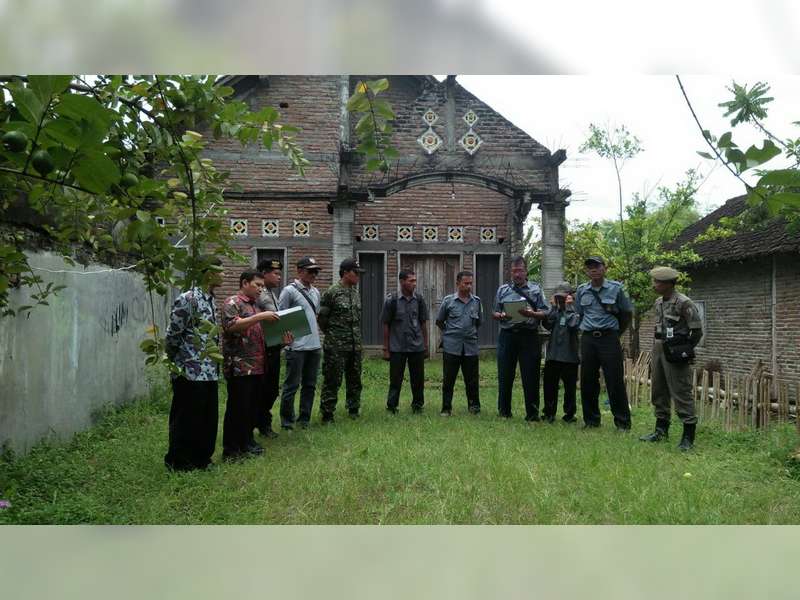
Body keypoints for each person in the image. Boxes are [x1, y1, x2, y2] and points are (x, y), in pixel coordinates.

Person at [163, 256, 224, 471]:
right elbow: (173, 334)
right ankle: (179, 461)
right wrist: (174, 362)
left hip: (209, 371)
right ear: (208, 273)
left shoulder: (209, 299)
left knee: (207, 419)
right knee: (186, 419)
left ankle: (202, 459)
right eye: (220, 270)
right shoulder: (189, 298)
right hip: (189, 370)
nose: (223, 274)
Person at [640, 266, 704, 450]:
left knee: (681, 391)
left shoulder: (684, 303)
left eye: (657, 282)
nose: (654, 285)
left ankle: (688, 437)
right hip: (659, 348)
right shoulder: (658, 302)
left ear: (668, 284)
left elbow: (697, 331)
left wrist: (685, 351)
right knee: (658, 390)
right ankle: (660, 431)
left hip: (676, 351)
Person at [221, 270, 280, 459]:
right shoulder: (233, 303)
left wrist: (283, 340)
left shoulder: (255, 307)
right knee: (237, 408)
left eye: (263, 286)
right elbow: (231, 326)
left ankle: (247, 442)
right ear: (245, 283)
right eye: (258, 285)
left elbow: (260, 336)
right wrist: (260, 317)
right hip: (239, 366)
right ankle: (231, 450)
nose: (261, 289)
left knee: (251, 407)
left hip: (257, 365)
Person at [574, 256, 634, 431]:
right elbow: (579, 313)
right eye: (590, 267)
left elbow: (626, 314)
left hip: (609, 338)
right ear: (586, 271)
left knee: (614, 380)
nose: (593, 269)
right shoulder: (581, 290)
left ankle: (622, 422)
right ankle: (591, 420)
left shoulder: (616, 289)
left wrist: (616, 333)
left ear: (604, 268)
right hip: (589, 339)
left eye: (597, 266)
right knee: (587, 380)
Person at [492, 255, 548, 420]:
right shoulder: (503, 290)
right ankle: (504, 412)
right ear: (511, 272)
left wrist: (531, 313)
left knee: (531, 376)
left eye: (520, 270)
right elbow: (494, 312)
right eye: (514, 271)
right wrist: (501, 315)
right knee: (505, 374)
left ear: (526, 271)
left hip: (529, 336)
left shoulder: (536, 290)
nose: (517, 274)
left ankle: (532, 414)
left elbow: (545, 312)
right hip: (507, 336)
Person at [277, 257, 323, 430]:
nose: (314, 275)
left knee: (310, 385)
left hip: (314, 346)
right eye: (310, 271)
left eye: (316, 271)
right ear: (299, 271)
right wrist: (286, 341)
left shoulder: (316, 292)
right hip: (296, 347)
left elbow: (315, 316)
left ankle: (304, 419)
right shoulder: (289, 291)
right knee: (291, 385)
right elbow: (281, 317)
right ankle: (287, 422)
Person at [318, 257, 365, 423]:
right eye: (356, 273)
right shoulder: (332, 292)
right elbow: (322, 319)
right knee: (332, 379)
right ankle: (327, 413)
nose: (358, 276)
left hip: (355, 344)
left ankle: (353, 408)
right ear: (346, 273)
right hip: (336, 345)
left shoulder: (355, 292)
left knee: (355, 378)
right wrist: (334, 335)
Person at [381, 269, 430, 414]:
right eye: (411, 281)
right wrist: (386, 348)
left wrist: (425, 345)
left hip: (416, 347)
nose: (414, 284)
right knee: (395, 380)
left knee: (418, 380)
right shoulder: (392, 300)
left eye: (415, 281)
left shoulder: (419, 299)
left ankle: (417, 406)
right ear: (402, 282)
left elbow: (423, 323)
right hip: (397, 347)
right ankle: (392, 406)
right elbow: (385, 324)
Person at [255, 258, 293, 439]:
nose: (279, 277)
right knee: (265, 389)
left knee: (270, 389)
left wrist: (284, 339)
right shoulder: (261, 293)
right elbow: (274, 320)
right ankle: (261, 423)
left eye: (279, 273)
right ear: (263, 274)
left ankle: (263, 422)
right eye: (275, 273)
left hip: (273, 347)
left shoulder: (271, 292)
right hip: (263, 350)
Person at [436, 270, 482, 416]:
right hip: (451, 346)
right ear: (457, 283)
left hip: (470, 346)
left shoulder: (477, 301)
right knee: (449, 379)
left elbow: (479, 322)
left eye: (470, 283)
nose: (468, 286)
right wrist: (450, 333)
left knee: (472, 380)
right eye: (465, 283)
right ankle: (446, 408)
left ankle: (474, 407)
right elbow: (439, 321)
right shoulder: (448, 301)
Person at [541, 282, 580, 424]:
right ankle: (549, 413)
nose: (561, 299)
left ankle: (569, 415)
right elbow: (547, 324)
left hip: (569, 355)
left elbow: (573, 324)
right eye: (558, 296)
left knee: (569, 388)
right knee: (549, 385)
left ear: (570, 296)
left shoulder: (576, 309)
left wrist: (568, 307)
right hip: (553, 354)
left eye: (563, 296)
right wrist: (553, 307)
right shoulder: (555, 310)